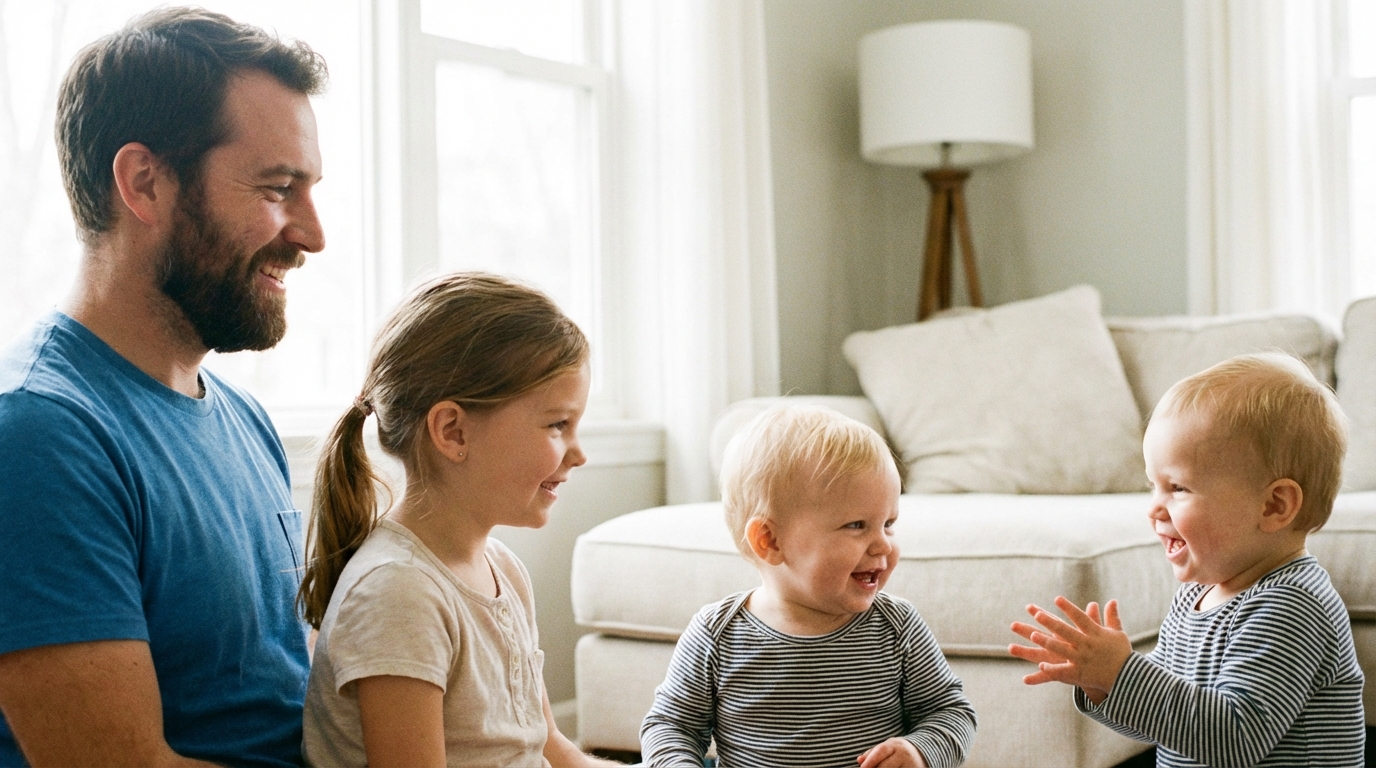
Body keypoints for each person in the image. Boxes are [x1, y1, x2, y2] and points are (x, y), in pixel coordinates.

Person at [0, 7, 328, 766]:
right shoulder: (38, 435)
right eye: (280, 188)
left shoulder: (242, 417)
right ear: (145, 183)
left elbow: (286, 686)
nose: (313, 234)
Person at [299, 272, 622, 767]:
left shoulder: (503, 568)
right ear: (453, 432)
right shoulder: (399, 592)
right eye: (558, 424)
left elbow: (548, 746)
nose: (578, 454)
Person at [1009, 353, 1366, 765]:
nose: (1154, 508)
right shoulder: (1194, 597)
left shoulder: (1293, 607)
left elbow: (1234, 738)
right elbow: (1166, 720)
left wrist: (1123, 673)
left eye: (1177, 487)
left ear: (1273, 506)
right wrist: (1103, 684)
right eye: (1152, 486)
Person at [640, 406, 977, 768]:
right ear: (770, 540)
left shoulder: (897, 627)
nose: (883, 545)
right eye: (857, 525)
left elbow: (951, 711)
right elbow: (670, 725)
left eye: (889, 523)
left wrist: (921, 751)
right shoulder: (717, 635)